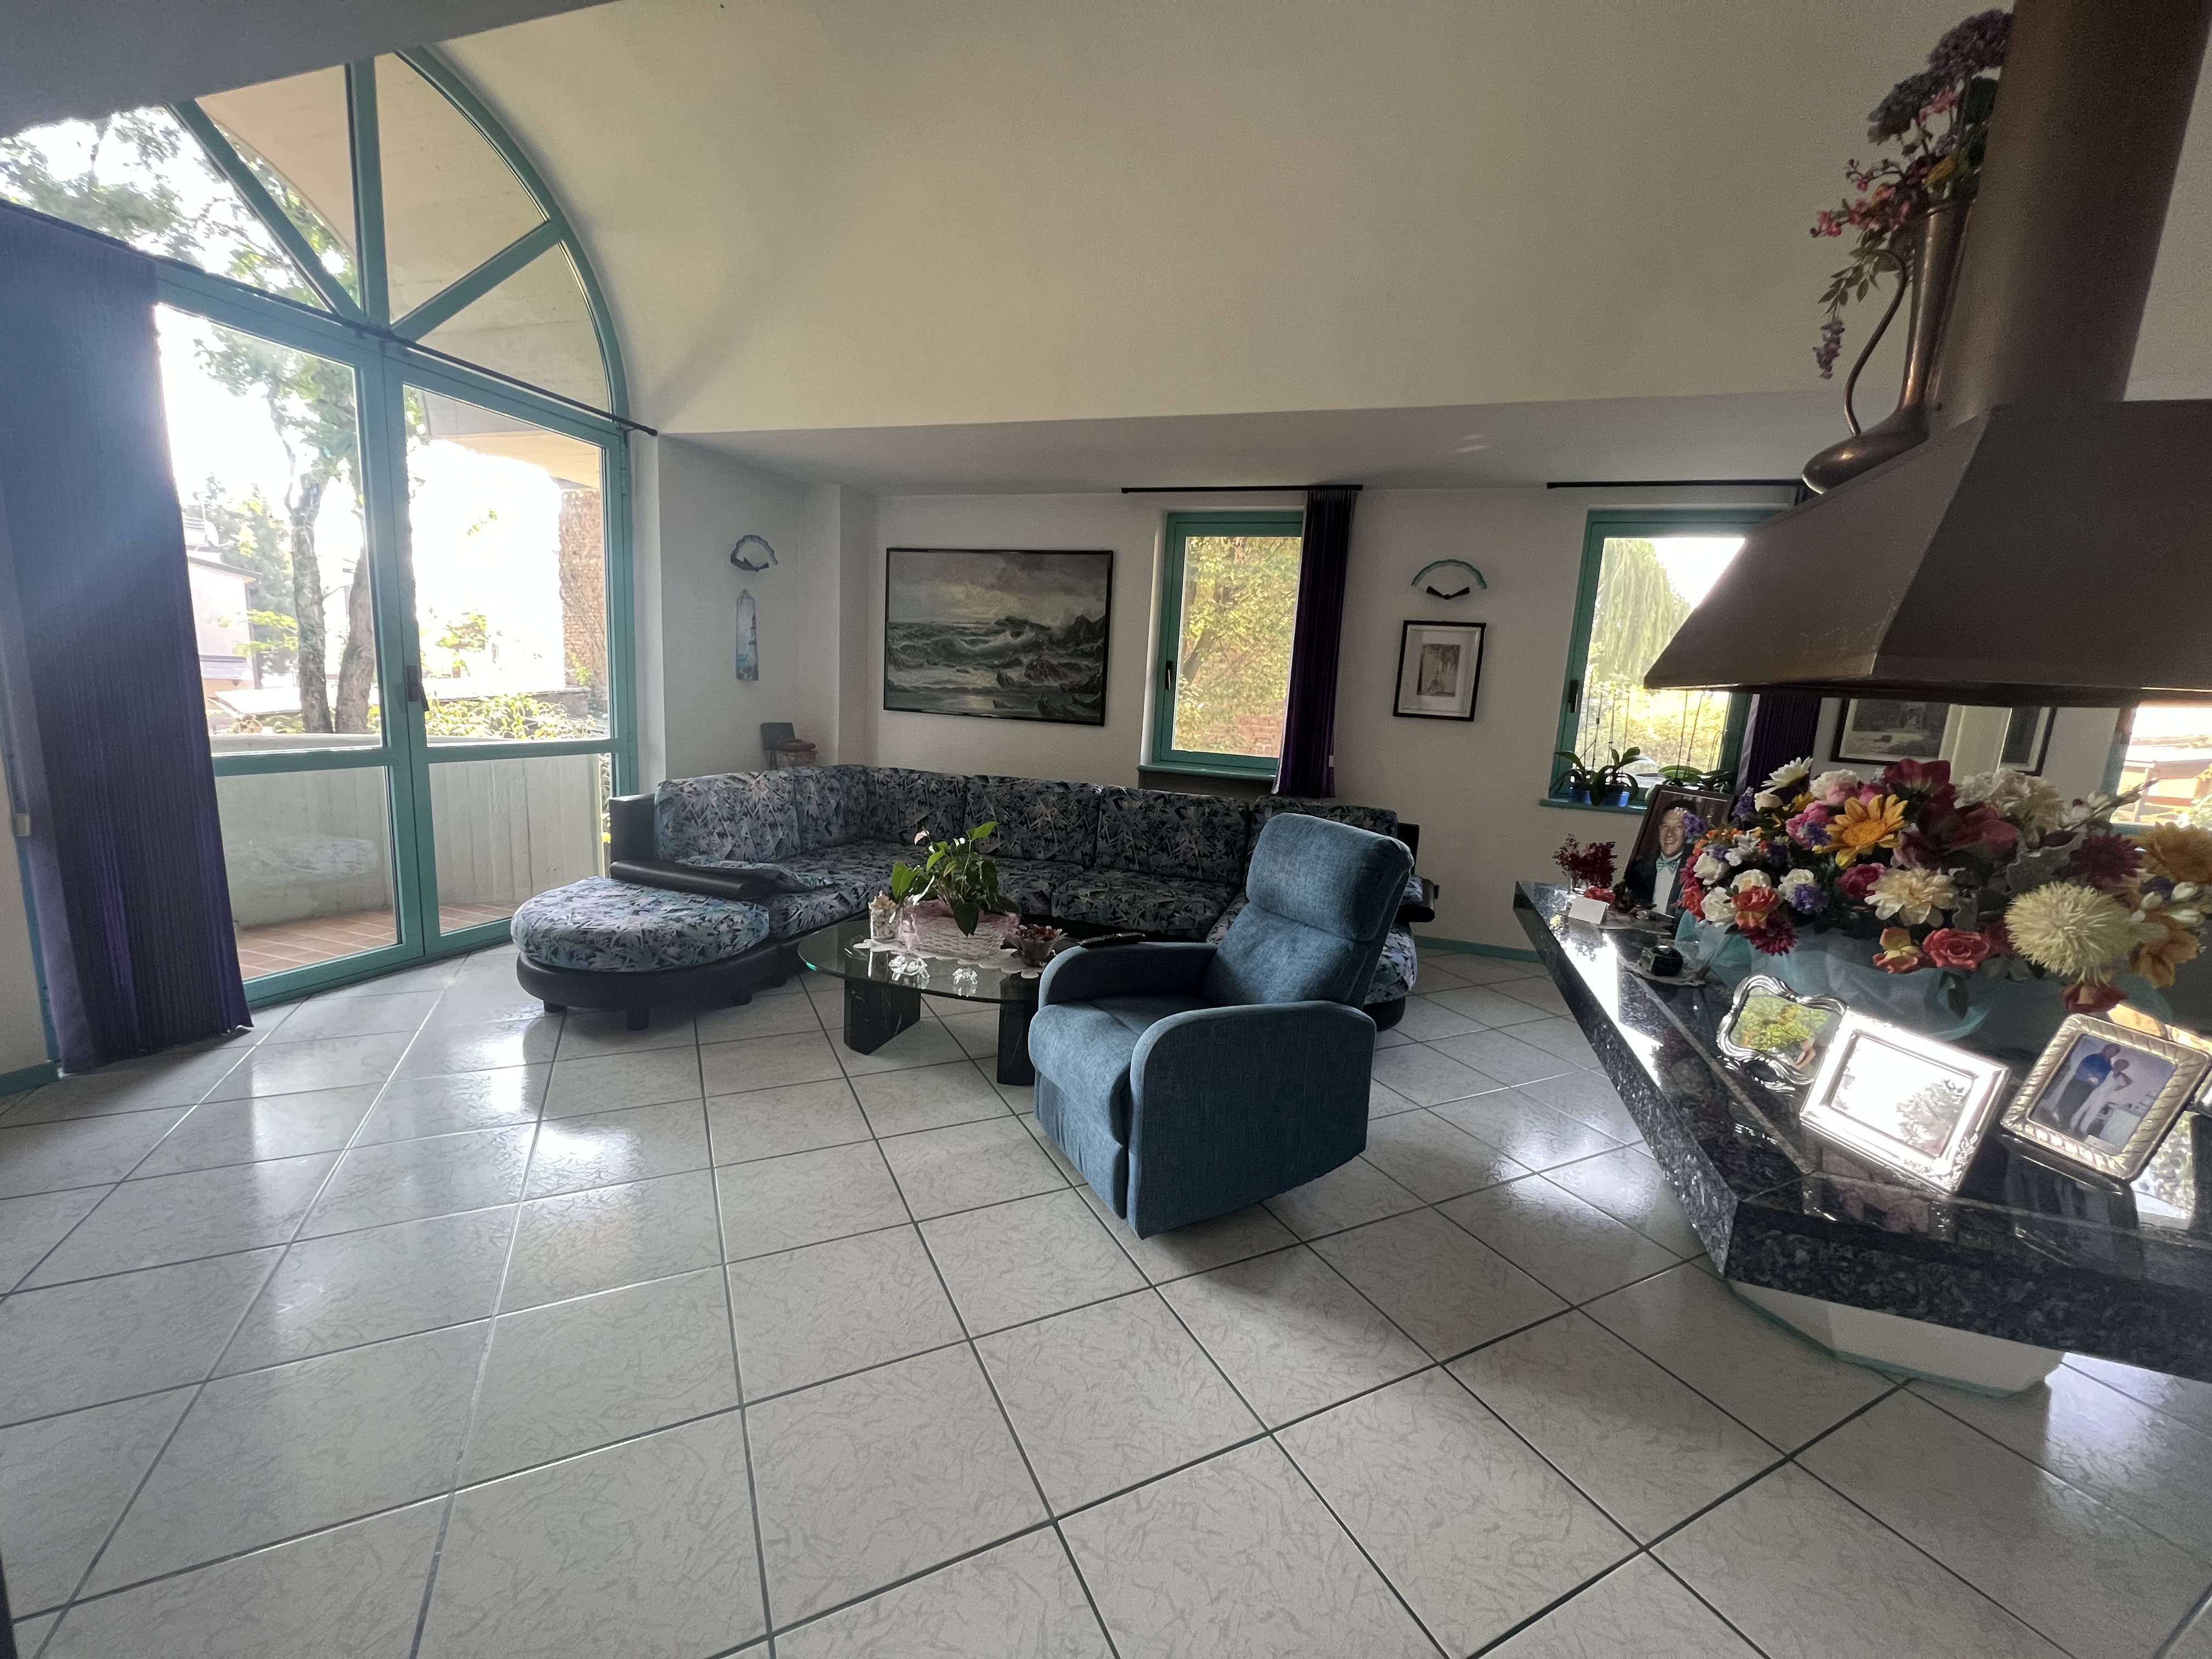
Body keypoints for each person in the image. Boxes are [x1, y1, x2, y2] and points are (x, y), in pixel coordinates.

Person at [1622, 806, 1693, 913]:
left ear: (1688, 832)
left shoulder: (1696, 870)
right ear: (1660, 830)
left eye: (1678, 827)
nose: (1670, 834)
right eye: (1665, 826)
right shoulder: (1639, 868)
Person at [2039, 1042, 2119, 1132]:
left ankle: (2062, 1123)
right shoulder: (2094, 1057)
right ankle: (2057, 1119)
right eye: (2108, 1048)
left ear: (2115, 1054)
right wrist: (2091, 1076)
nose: (2109, 1051)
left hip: (2089, 1088)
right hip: (2079, 1082)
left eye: (2113, 1051)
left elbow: (2103, 1078)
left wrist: (2096, 1080)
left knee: (2075, 1105)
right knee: (2067, 1101)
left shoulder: (2108, 1066)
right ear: (2105, 1048)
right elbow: (2082, 1068)